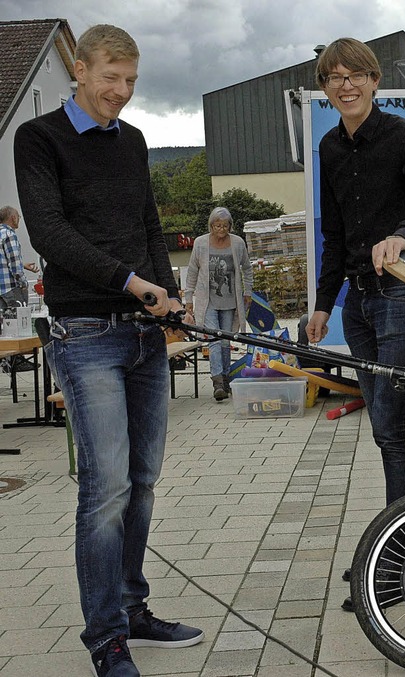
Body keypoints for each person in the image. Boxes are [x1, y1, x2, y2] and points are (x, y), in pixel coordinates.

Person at [14, 24, 203, 677]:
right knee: (106, 488)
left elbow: (149, 224)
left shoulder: (134, 142)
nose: (119, 92)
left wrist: (171, 297)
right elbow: (50, 233)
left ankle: (131, 606)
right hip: (85, 333)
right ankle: (106, 637)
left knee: (142, 483)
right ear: (80, 68)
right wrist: (131, 282)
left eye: (130, 81)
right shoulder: (37, 140)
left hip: (146, 333)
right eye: (109, 78)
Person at [305, 37, 405, 611]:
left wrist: (402, 237)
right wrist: (322, 303)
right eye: (334, 78)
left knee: (391, 425)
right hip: (358, 305)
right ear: (326, 89)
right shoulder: (329, 147)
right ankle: (402, 549)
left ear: (374, 81)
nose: (345, 85)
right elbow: (334, 235)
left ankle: (398, 564)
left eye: (355, 75)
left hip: (402, 293)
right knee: (385, 429)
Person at [184, 207, 252, 401]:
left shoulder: (237, 243)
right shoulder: (200, 243)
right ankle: (217, 382)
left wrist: (248, 291)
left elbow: (247, 268)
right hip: (208, 302)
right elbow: (192, 272)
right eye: (217, 225)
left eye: (224, 225)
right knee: (214, 340)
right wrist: (189, 298)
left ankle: (226, 377)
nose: (221, 229)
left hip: (231, 301)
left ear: (230, 226)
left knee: (225, 341)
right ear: (211, 226)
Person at [0, 205, 39, 310]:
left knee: (4, 325)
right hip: (11, 289)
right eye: (18, 216)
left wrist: (23, 265)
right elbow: (14, 265)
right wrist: (23, 283)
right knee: (18, 324)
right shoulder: (9, 234)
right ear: (13, 218)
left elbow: (3, 261)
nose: (19, 219)